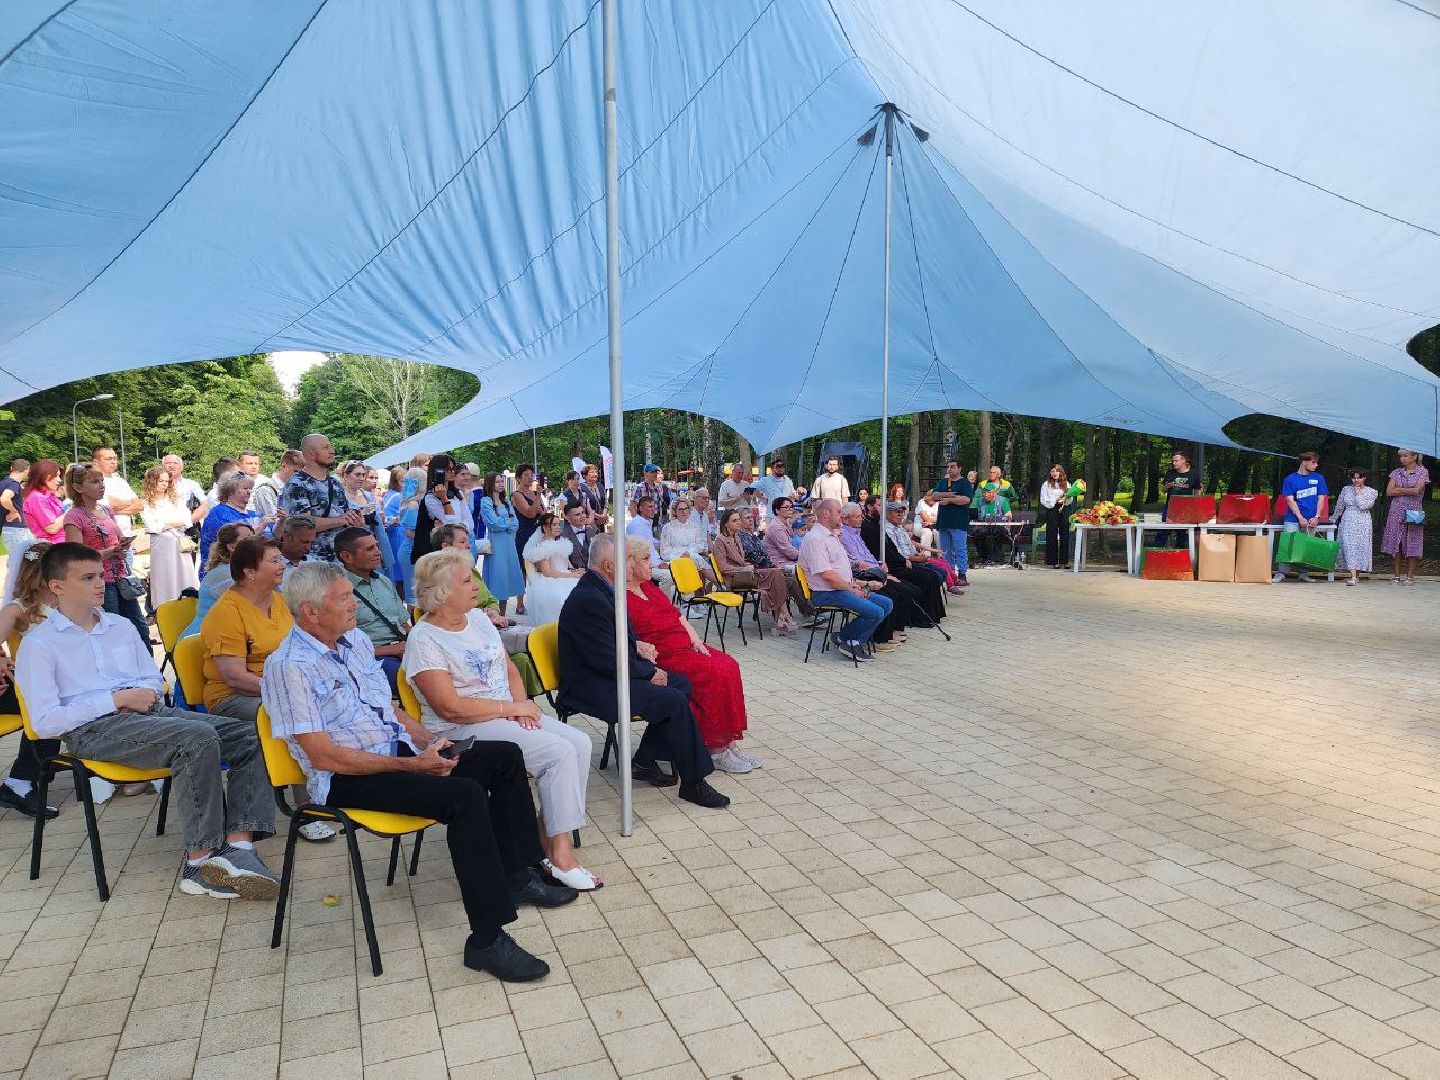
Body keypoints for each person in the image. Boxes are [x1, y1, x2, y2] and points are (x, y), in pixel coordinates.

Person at [262, 562, 577, 981]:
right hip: (349, 780)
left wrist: (429, 744)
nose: (354, 604)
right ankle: (486, 940)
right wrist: (413, 765)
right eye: (343, 598)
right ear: (310, 612)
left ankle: (517, 873)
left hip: (400, 756)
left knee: (502, 756)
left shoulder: (353, 641)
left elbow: (389, 711)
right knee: (463, 796)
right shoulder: (289, 667)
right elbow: (323, 757)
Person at [17, 542, 280, 899]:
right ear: (57, 586)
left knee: (249, 735)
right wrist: (115, 699)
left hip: (149, 713)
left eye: (100, 575)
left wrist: (143, 695)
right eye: (88, 577)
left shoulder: (120, 626)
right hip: (93, 730)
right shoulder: (40, 643)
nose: (101, 584)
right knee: (197, 738)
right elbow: (46, 721)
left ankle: (238, 848)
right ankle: (200, 862)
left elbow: (154, 678)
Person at [405, 549, 599, 890]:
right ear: (442, 592)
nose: (475, 587)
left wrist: (522, 705)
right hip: (460, 727)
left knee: (580, 743)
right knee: (558, 752)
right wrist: (511, 710)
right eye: (466, 581)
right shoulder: (424, 639)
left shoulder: (477, 619)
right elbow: (449, 707)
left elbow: (508, 667)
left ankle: (546, 834)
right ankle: (561, 853)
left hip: (504, 712)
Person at [558, 533, 729, 807]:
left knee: (681, 684)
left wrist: (636, 645)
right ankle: (694, 782)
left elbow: (606, 643)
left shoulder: (601, 590)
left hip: (608, 673)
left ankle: (645, 758)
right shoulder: (591, 598)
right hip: (593, 685)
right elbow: (605, 659)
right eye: (626, 558)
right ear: (608, 566)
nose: (631, 563)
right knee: (672, 699)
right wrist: (648, 672)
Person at [620, 536, 757, 774]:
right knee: (714, 673)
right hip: (663, 656)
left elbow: (679, 617)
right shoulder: (619, 597)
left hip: (684, 646)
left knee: (728, 664)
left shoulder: (649, 588)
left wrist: (695, 640)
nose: (651, 564)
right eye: (645, 560)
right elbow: (627, 638)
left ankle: (728, 742)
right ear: (629, 563)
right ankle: (715, 748)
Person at [0, 542, 62, 818]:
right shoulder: (18, 608)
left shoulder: (66, 601)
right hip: (32, 682)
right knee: (48, 707)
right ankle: (21, 782)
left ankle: (32, 776)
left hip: (59, 678)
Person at [61, 463, 147, 644]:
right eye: (94, 481)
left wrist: (123, 546)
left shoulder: (107, 510)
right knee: (111, 631)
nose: (101, 485)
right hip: (99, 582)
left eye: (101, 480)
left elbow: (117, 537)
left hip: (121, 578)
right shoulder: (74, 516)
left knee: (139, 628)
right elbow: (76, 556)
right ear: (78, 487)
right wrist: (110, 552)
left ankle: (145, 668)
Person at [798, 499, 893, 662]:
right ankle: (852, 642)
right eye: (839, 512)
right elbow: (827, 575)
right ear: (826, 513)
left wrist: (854, 584)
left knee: (886, 603)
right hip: (826, 593)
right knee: (875, 612)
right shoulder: (815, 539)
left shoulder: (832, 536)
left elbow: (840, 568)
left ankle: (843, 637)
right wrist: (851, 588)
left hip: (840, 588)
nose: (841, 516)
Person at [334, 525, 413, 695]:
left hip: (403, 647)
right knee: (411, 677)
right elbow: (340, 646)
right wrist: (392, 650)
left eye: (376, 546)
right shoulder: (338, 590)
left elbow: (404, 624)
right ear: (347, 557)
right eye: (370, 549)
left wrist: (418, 641)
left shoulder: (383, 582)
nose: (378, 552)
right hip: (372, 657)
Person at [838, 503, 918, 647]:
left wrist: (880, 563)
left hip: (872, 571)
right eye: (857, 517)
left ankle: (892, 630)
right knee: (893, 594)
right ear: (845, 519)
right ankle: (880, 637)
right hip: (862, 575)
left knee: (906, 589)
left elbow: (867, 555)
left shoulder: (856, 532)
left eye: (861, 516)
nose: (861, 519)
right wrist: (881, 572)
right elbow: (859, 562)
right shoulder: (844, 535)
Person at [280, 434, 362, 563]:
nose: (332, 451)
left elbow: (346, 517)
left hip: (340, 560)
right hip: (312, 561)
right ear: (311, 454)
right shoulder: (297, 483)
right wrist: (341, 520)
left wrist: (357, 522)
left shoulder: (335, 484)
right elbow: (302, 526)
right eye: (326, 447)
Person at [713, 508, 797, 634]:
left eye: (738, 520)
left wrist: (746, 565)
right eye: (734, 521)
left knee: (777, 574)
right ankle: (783, 616)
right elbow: (723, 567)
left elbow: (740, 560)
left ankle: (781, 619)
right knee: (776, 575)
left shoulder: (735, 536)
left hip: (747, 573)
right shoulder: (720, 540)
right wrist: (744, 568)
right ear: (726, 524)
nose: (738, 523)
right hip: (735, 578)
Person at [139, 466, 199, 607]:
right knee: (164, 576)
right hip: (161, 544)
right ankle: (165, 606)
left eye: (167, 481)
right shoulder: (145, 502)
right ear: (152, 482)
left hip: (179, 541)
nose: (165, 484)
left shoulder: (175, 499)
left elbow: (186, 520)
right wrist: (171, 523)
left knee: (184, 574)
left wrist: (167, 523)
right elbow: (152, 525)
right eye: (161, 481)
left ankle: (187, 603)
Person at [183, 523, 253, 638]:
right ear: (231, 547)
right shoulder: (224, 572)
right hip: (202, 638)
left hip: (224, 632)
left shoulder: (239, 568)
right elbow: (249, 603)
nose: (254, 542)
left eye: (253, 537)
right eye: (247, 539)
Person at [881, 499, 960, 594]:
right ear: (887, 513)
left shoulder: (899, 527)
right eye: (897, 512)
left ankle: (945, 588)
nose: (901, 515)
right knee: (937, 574)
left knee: (941, 569)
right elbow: (899, 554)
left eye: (902, 512)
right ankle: (940, 591)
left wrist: (925, 553)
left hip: (914, 558)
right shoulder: (887, 530)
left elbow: (911, 544)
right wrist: (917, 558)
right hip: (904, 563)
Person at [1273, 451, 1329, 584]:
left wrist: (1316, 517)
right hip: (1293, 518)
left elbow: (1321, 499)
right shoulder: (1290, 479)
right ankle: (1281, 573)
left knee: (1305, 546)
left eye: (1316, 462)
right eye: (1313, 462)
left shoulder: (1319, 478)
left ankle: (1303, 573)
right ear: (1304, 462)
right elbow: (1290, 500)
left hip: (1312, 519)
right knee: (1288, 543)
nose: (1316, 465)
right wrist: (1300, 517)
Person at [521, 513, 584, 627]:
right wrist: (571, 575)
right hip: (550, 580)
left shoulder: (561, 543)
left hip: (563, 576)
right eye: (554, 525)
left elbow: (568, 566)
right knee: (563, 598)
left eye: (558, 524)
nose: (558, 527)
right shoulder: (542, 547)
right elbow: (547, 572)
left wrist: (575, 571)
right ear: (545, 528)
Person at [761, 497, 816, 619]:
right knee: (801, 571)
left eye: (791, 507)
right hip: (779, 564)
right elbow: (788, 551)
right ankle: (809, 610)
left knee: (812, 569)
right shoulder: (776, 527)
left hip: (790, 561)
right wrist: (808, 556)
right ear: (777, 510)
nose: (790, 509)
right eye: (786, 507)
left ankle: (815, 606)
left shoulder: (786, 524)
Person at [1381, 449, 1429, 586]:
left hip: (1414, 510)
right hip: (1396, 511)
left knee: (1413, 542)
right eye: (1401, 456)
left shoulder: (1422, 472)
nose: (1402, 458)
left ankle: (1410, 576)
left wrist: (1400, 489)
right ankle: (1396, 576)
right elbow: (1389, 492)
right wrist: (1408, 490)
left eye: (1405, 456)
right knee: (1397, 542)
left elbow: (1417, 491)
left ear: (1414, 457)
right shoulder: (1396, 472)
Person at [479, 472, 524, 612]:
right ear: (490, 483)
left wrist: (505, 523)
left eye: (501, 481)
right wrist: (507, 522)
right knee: (496, 578)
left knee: (507, 579)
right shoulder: (486, 501)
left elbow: (515, 523)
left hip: (509, 544)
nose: (500, 484)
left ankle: (503, 615)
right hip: (496, 545)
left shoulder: (507, 502)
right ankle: (493, 614)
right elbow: (493, 524)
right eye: (497, 481)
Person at [199, 473, 263, 567]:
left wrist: (281, 522)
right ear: (230, 491)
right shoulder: (220, 513)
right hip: (226, 569)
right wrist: (260, 527)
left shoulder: (254, 513)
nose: (249, 492)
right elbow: (236, 543)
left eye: (250, 488)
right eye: (245, 488)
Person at [1333, 469, 1378, 586]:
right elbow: (1340, 505)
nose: (1356, 480)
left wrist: (1358, 493)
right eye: (1354, 478)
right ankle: (1352, 576)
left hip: (1363, 521)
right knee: (1349, 546)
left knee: (1360, 546)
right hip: (1348, 519)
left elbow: (1364, 506)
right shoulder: (1346, 489)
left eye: (1359, 478)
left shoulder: (1372, 492)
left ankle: (1356, 575)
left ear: (1364, 478)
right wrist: (1333, 518)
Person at [932, 459, 972, 584]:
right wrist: (951, 495)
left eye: (953, 467)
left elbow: (966, 499)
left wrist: (949, 500)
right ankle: (949, 574)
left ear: (960, 468)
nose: (949, 469)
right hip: (944, 521)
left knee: (960, 548)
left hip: (958, 521)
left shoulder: (964, 483)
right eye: (948, 467)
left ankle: (962, 574)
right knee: (945, 550)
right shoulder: (943, 482)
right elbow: (934, 495)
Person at [92, 447, 142, 541]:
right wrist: (128, 502)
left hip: (126, 537)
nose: (113, 461)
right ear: (96, 462)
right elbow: (102, 508)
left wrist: (112, 510)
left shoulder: (121, 482)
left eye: (114, 458)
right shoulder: (93, 482)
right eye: (108, 459)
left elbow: (138, 506)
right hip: (106, 539)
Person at [1160, 451, 1202, 547]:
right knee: (1163, 531)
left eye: (1176, 461)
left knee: (1182, 533)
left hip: (1186, 508)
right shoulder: (1170, 473)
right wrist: (1167, 486)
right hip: (1170, 507)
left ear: (1183, 461)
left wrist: (1196, 504)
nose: (1174, 463)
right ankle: (1156, 552)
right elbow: (1163, 490)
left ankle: (1179, 552)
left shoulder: (1193, 474)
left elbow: (1198, 490)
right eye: (1173, 461)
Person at [1038, 464, 1073, 568]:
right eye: (1052, 471)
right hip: (1052, 509)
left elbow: (1071, 498)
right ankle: (1053, 561)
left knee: (1065, 534)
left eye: (1056, 471)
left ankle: (1064, 561)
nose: (1054, 473)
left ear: (1061, 472)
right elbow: (1043, 499)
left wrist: (1065, 500)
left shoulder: (1066, 483)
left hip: (1064, 509)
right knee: (1051, 534)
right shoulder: (1046, 484)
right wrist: (1054, 501)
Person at [22, 459, 67, 542]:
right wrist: (70, 512)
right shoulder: (37, 497)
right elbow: (52, 528)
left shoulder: (46, 495)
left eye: (59, 476)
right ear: (44, 476)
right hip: (55, 546)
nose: (59, 480)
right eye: (55, 476)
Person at [251, 449, 301, 521]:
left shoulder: (297, 488)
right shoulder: (266, 490)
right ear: (284, 466)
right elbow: (272, 521)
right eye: (296, 471)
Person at [659, 498, 710, 566]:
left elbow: (700, 545)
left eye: (686, 508)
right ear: (675, 511)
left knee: (700, 562)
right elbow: (664, 552)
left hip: (693, 558)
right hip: (676, 561)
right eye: (680, 509)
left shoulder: (695, 527)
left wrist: (689, 552)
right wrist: (681, 556)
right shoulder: (668, 528)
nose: (684, 512)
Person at [971, 486, 1014, 567]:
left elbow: (1009, 514)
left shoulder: (1002, 500)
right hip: (984, 525)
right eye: (984, 493)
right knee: (978, 533)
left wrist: (1004, 517)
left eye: (987, 492)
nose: (985, 495)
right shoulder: (980, 501)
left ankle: (995, 559)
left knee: (999, 533)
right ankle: (984, 557)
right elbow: (972, 513)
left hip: (999, 525)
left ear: (994, 493)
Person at [277, 515, 317, 586]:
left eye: (311, 542)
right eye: (305, 542)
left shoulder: (315, 564)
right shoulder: (268, 566)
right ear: (287, 537)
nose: (309, 547)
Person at [625, 496, 663, 571]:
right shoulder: (637, 525)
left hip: (653, 562)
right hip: (646, 567)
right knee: (672, 576)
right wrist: (658, 564)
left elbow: (651, 542)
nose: (653, 509)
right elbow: (641, 553)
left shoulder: (644, 523)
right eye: (650, 507)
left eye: (654, 506)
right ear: (641, 509)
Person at [1, 458, 30, 550]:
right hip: (17, 530)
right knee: (26, 561)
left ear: (11, 468)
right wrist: (13, 511)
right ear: (27, 470)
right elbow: (4, 499)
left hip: (7, 528)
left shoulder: (2, 483)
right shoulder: (15, 484)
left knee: (15, 560)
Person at [632, 463, 671, 530]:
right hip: (643, 520)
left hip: (656, 522)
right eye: (652, 472)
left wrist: (660, 519)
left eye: (656, 472)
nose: (655, 474)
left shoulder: (659, 487)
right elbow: (632, 506)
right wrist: (637, 522)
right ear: (645, 473)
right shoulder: (639, 487)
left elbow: (660, 505)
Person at [559, 502, 593, 570]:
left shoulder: (592, 531)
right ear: (569, 519)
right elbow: (562, 561)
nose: (582, 516)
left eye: (583, 512)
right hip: (574, 576)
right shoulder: (562, 536)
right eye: (578, 515)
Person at [579, 464, 608, 531]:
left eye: (596, 472)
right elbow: (583, 506)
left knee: (601, 540)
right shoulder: (581, 488)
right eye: (592, 472)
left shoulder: (600, 485)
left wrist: (603, 515)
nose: (595, 474)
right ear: (585, 475)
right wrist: (599, 517)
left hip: (601, 523)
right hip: (588, 523)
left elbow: (605, 503)